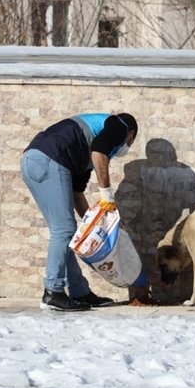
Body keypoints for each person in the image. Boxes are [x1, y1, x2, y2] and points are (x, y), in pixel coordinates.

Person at [21, 112, 139, 311]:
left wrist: (93, 225)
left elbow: (77, 192)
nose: (127, 144)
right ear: (131, 135)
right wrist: (106, 195)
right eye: (130, 141)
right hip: (50, 159)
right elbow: (100, 151)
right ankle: (53, 292)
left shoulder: (82, 151)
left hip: (33, 161)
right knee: (64, 231)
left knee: (66, 233)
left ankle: (79, 291)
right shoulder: (120, 124)